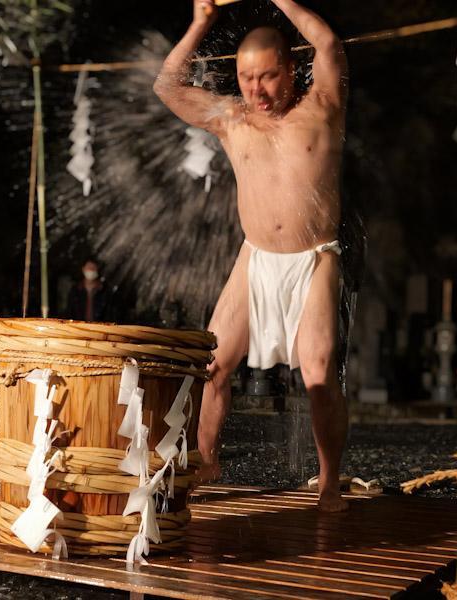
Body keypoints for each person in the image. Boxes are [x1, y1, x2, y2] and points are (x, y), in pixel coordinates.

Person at [155, 0, 349, 510]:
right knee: (214, 366)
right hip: (256, 256)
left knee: (319, 371)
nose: (257, 90)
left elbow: (328, 44)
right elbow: (168, 87)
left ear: (291, 69)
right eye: (245, 78)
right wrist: (200, 21)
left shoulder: (322, 107)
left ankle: (330, 481)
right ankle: (207, 460)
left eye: (267, 76)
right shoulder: (232, 120)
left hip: (314, 257)